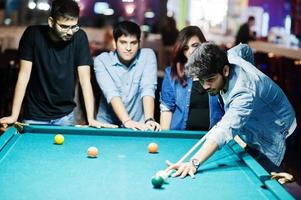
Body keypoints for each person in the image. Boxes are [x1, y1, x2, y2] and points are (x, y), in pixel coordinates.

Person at [166, 42, 297, 178]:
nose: (205, 86)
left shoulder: (244, 93)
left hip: (281, 132)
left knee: (280, 179)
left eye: (210, 79)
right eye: (202, 80)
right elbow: (245, 49)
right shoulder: (229, 56)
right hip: (257, 125)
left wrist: (193, 163)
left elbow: (224, 130)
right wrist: (251, 68)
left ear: (225, 71)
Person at [0, 0, 114, 128]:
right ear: (51, 22)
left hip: (65, 116)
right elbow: (23, 76)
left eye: (73, 26)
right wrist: (14, 115)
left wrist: (91, 119)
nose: (70, 32)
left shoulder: (80, 37)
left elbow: (85, 80)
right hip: (35, 116)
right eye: (64, 27)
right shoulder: (32, 35)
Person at [94, 21, 161, 131]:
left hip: (139, 126)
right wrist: (127, 121)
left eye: (133, 43)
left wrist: (149, 119)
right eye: (123, 42)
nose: (128, 48)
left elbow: (148, 88)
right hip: (107, 126)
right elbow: (111, 93)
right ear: (115, 43)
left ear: (139, 43)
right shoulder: (101, 61)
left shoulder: (148, 56)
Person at [160, 26, 224, 130]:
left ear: (204, 45)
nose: (191, 51)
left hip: (213, 137)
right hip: (180, 137)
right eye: (185, 48)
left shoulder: (217, 71)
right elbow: (167, 108)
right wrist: (164, 138)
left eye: (195, 45)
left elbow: (231, 106)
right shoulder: (172, 73)